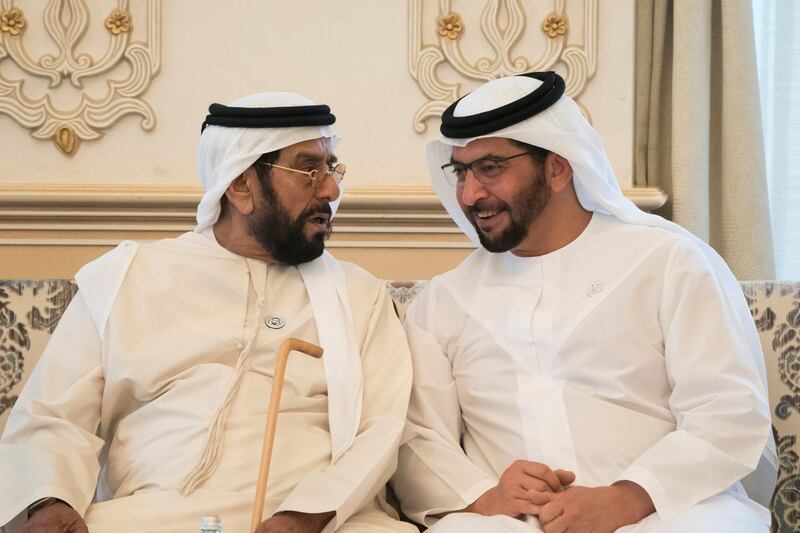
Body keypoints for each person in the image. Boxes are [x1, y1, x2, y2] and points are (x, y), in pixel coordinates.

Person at [0, 92, 415, 533]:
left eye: (330, 168)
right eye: (308, 170)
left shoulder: (359, 296)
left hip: (319, 522)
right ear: (240, 185)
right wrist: (49, 506)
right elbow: (53, 417)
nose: (331, 189)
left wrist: (303, 516)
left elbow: (384, 429)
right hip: (151, 517)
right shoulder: (125, 277)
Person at [391, 72, 778, 532]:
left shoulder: (670, 263)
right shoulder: (443, 301)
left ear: (557, 167)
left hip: (668, 509)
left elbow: (727, 411)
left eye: (491, 168)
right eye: (461, 172)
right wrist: (483, 496)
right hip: (514, 523)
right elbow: (420, 441)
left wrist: (628, 497)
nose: (471, 193)